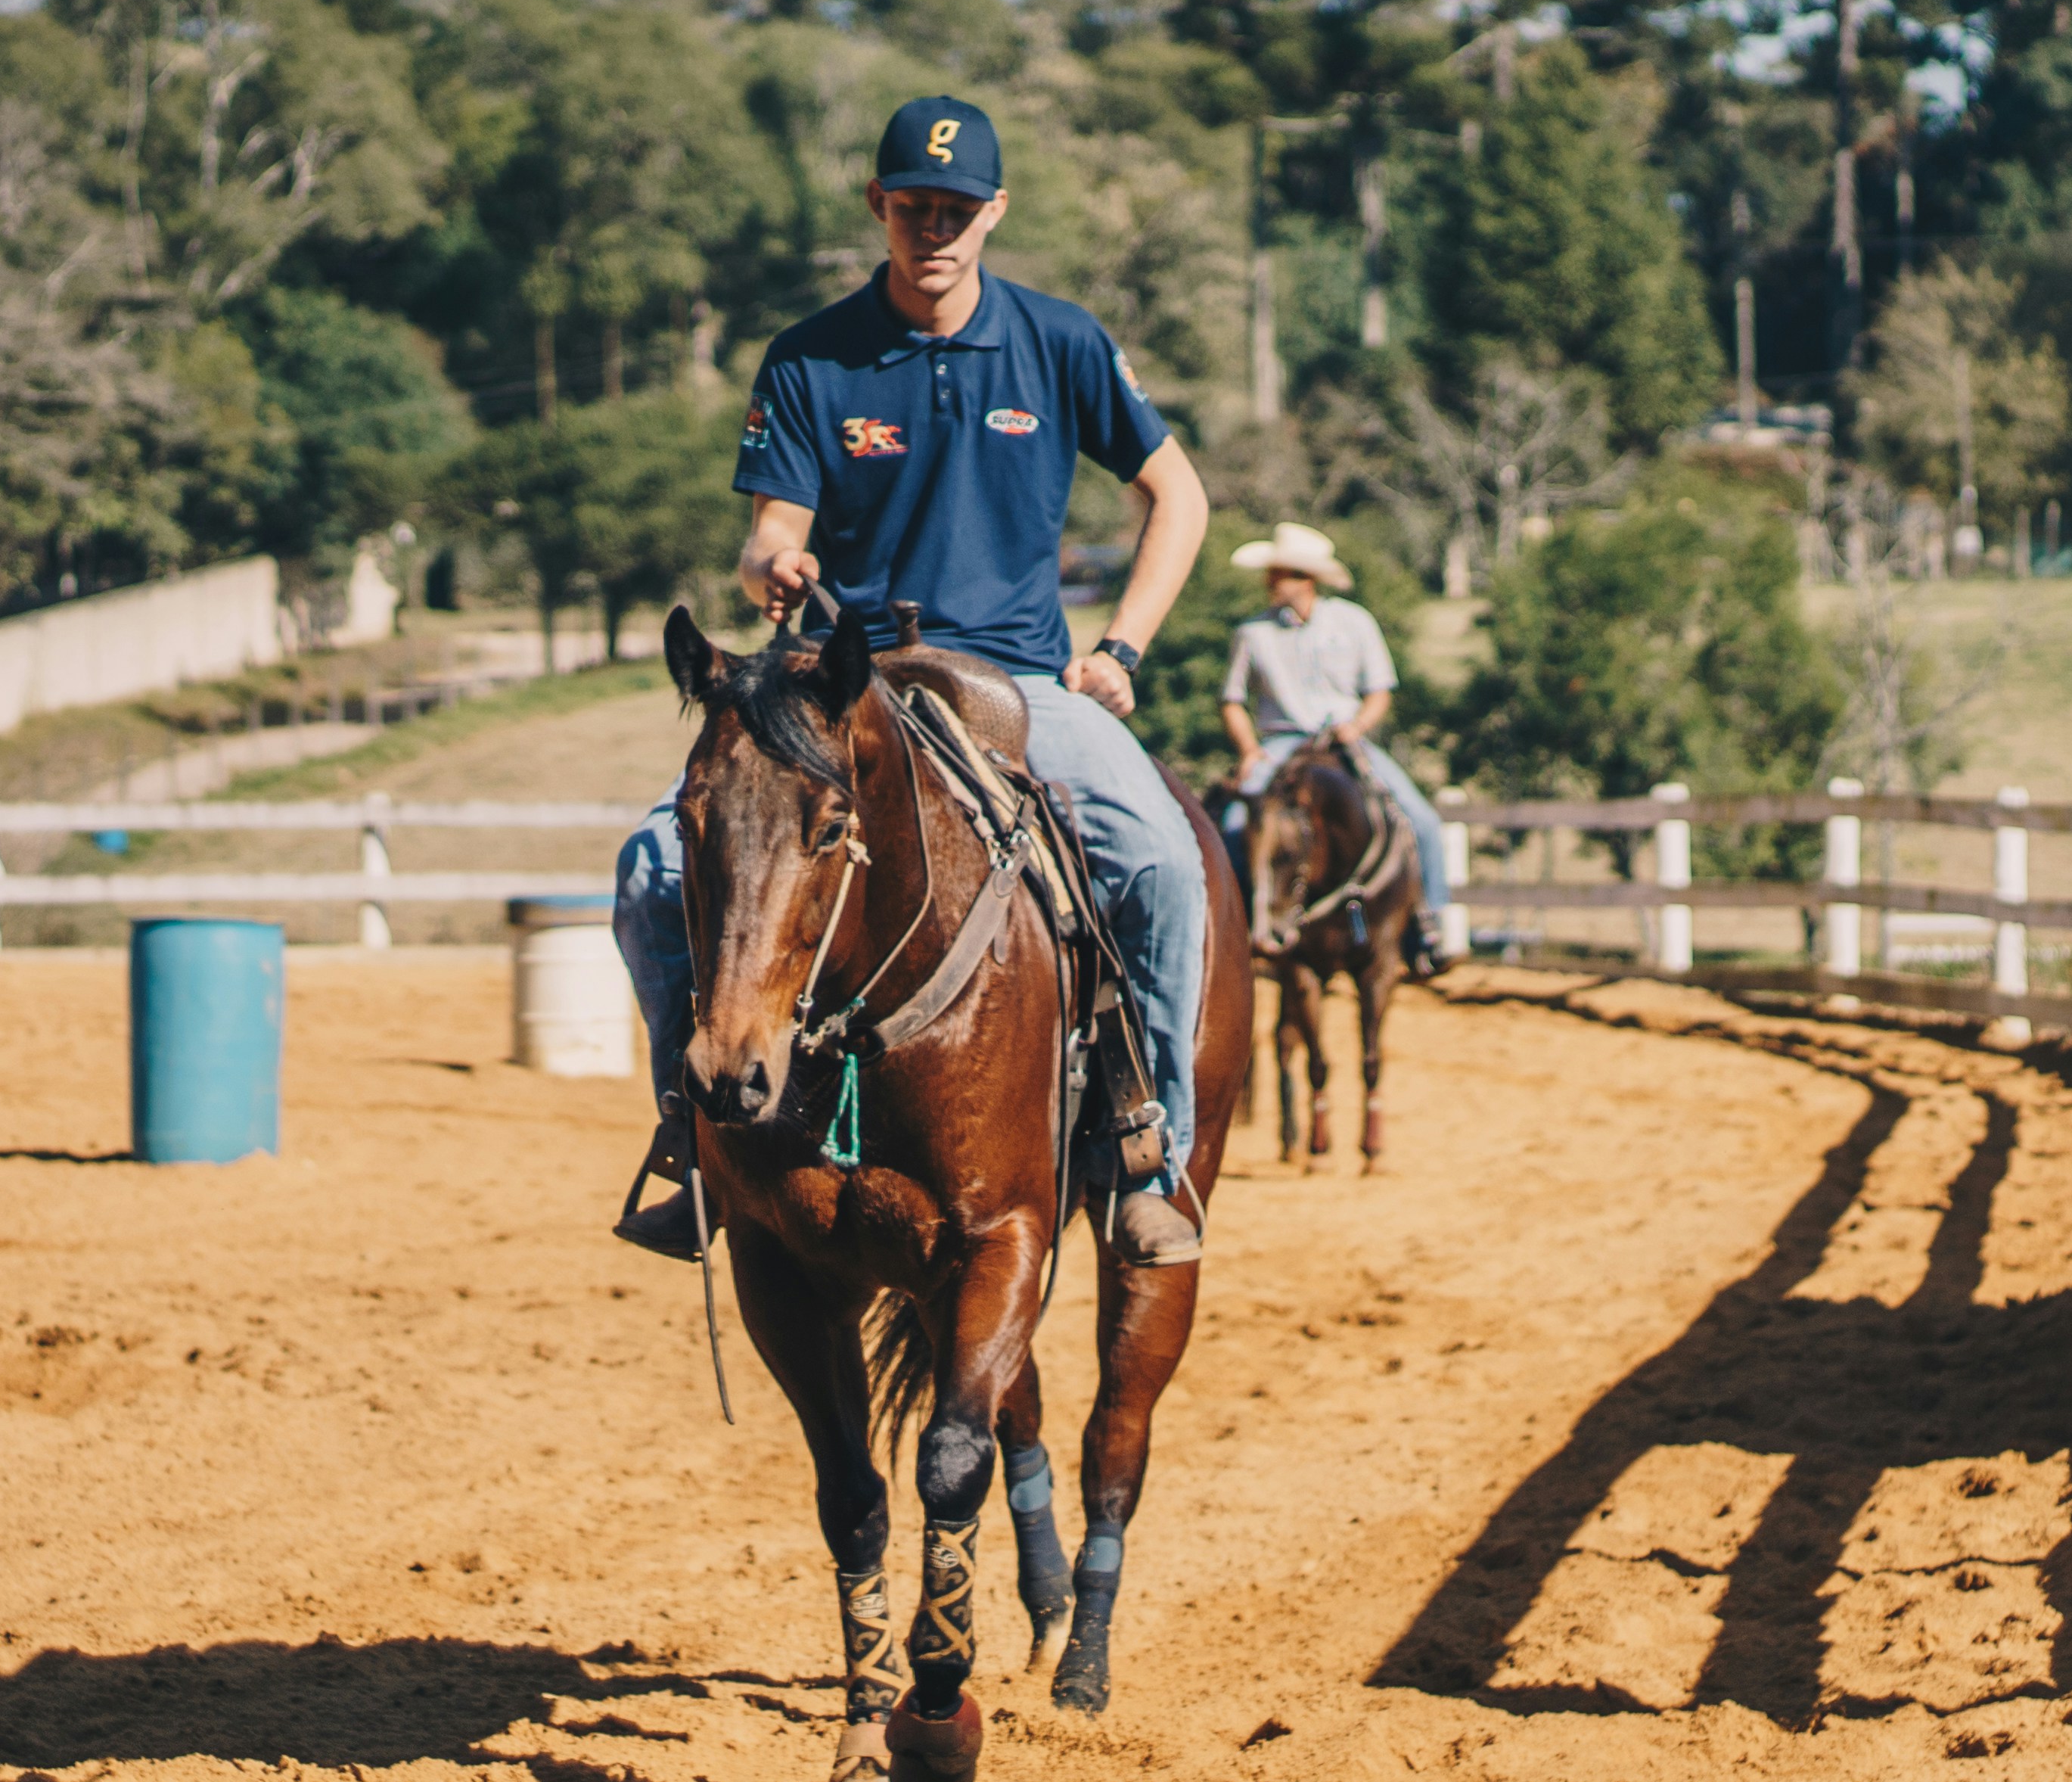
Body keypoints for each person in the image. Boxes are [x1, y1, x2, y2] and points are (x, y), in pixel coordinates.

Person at [609, 92, 1218, 1268]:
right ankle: (694, 1139)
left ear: (994, 211)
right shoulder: (809, 357)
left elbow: (1177, 496)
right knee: (649, 870)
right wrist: (771, 559)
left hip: (1017, 681)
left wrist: (1122, 650)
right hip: (846, 682)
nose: (931, 228)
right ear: (876, 206)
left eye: (954, 209)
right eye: (910, 206)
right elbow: (766, 532)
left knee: (1158, 862)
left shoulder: (1061, 343)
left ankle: (1155, 1151)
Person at [1216, 523, 1452, 975]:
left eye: (1279, 574)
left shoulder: (1353, 621)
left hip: (1345, 740)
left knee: (1421, 818)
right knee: (1233, 826)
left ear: (1307, 580)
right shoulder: (1253, 633)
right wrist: (1249, 750)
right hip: (1282, 743)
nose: (1270, 583)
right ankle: (1236, 927)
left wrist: (1358, 724)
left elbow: (1379, 691)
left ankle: (1429, 923)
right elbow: (1232, 701)